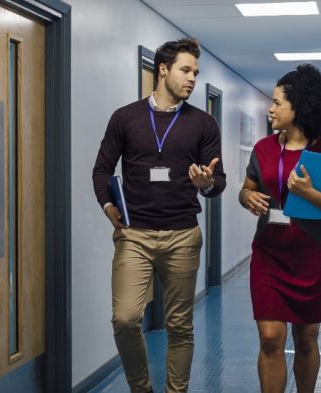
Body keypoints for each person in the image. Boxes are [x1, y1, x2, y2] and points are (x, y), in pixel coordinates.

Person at [91, 37, 225, 393]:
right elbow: (102, 170)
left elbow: (218, 183)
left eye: (196, 72)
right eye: (185, 69)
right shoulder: (125, 118)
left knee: (180, 326)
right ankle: (141, 388)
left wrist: (207, 183)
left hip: (183, 234)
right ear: (163, 70)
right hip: (134, 235)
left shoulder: (203, 124)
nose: (192, 78)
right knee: (125, 318)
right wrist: (108, 206)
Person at [238, 64, 321, 393]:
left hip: (312, 256)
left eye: (277, 102)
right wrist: (247, 196)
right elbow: (246, 188)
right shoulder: (264, 149)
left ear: (300, 107)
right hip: (269, 254)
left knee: (305, 340)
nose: (270, 108)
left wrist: (310, 194)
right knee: (270, 337)